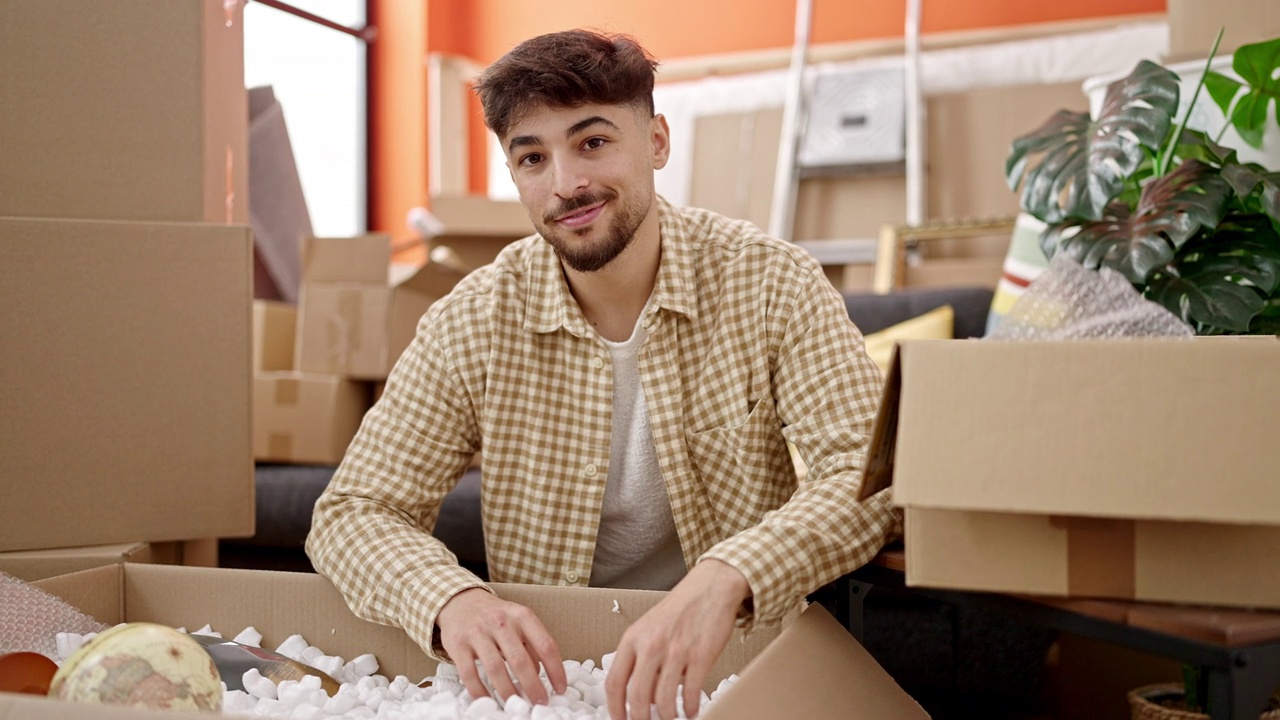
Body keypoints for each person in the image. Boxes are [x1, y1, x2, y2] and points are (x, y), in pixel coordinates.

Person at [306, 28, 901, 720]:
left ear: (656, 141)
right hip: (550, 688)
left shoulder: (771, 282)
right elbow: (352, 512)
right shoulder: (472, 320)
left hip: (736, 664)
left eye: (592, 142)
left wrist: (729, 576)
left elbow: (871, 479)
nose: (566, 185)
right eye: (532, 158)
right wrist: (452, 599)